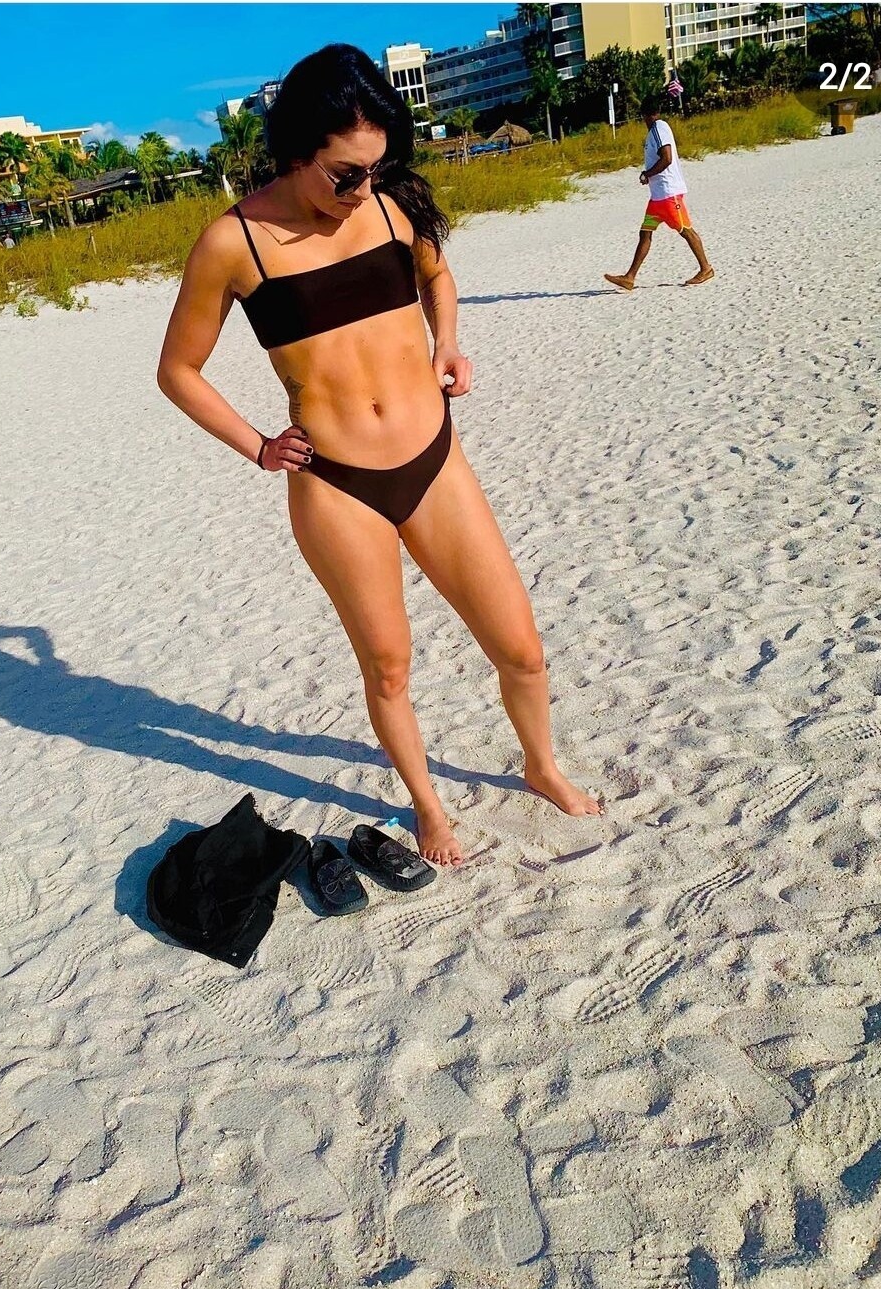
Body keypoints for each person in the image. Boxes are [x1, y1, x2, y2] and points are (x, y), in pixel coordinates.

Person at [158, 43, 604, 868]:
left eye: (375, 168)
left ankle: (540, 765)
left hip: (434, 460)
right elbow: (177, 370)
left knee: (520, 647)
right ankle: (428, 806)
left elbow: (438, 279)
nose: (361, 188)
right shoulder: (232, 243)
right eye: (344, 173)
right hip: (336, 486)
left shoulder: (393, 208)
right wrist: (258, 446)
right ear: (296, 151)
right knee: (389, 667)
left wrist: (448, 344)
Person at [605, 94, 714, 291]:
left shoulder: (658, 128)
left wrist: (647, 174)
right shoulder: (656, 130)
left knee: (686, 230)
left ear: (645, 115)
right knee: (645, 233)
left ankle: (706, 268)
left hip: (669, 194)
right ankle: (629, 277)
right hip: (657, 199)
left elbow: (667, 158)